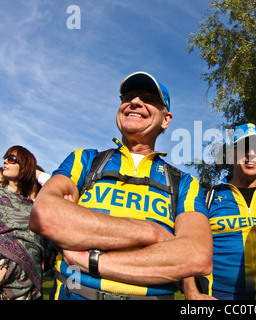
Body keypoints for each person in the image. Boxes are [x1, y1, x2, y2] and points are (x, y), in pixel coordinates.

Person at [30, 71, 213, 300]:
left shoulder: (184, 183)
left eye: (148, 99)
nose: (135, 102)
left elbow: (196, 255)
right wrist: (153, 233)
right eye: (129, 97)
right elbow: (44, 214)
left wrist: (92, 259)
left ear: (166, 119)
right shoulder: (85, 160)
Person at [183, 123, 256, 300]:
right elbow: (188, 247)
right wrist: (190, 291)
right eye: (244, 148)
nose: (251, 154)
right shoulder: (207, 197)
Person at [0, 146, 45, 300]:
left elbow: (58, 188)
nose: (5, 160)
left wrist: (33, 172)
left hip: (26, 289)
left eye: (12, 159)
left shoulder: (35, 208)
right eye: (6, 157)